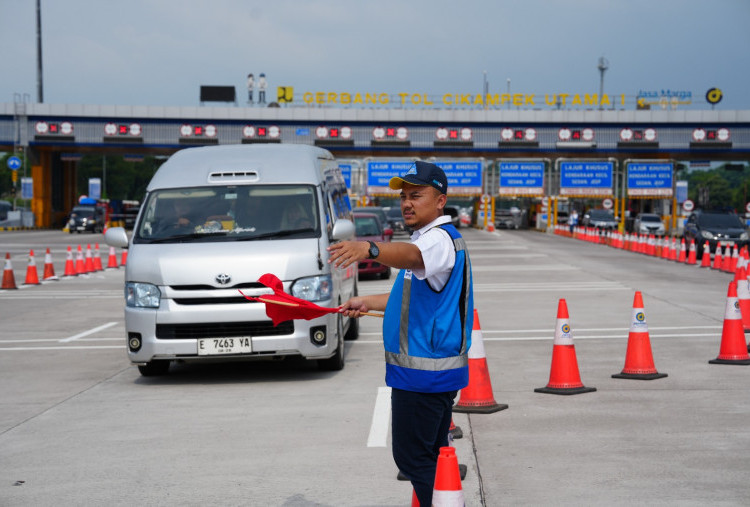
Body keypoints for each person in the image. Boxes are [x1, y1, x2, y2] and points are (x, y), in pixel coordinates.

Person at [328, 161, 474, 506]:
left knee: (415, 461)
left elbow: (410, 257)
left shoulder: (436, 241)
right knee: (434, 456)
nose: (407, 203)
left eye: (417, 195)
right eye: (404, 196)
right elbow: (410, 296)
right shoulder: (430, 241)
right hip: (427, 374)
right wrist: (365, 301)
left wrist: (371, 249)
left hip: (422, 376)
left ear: (440, 201)